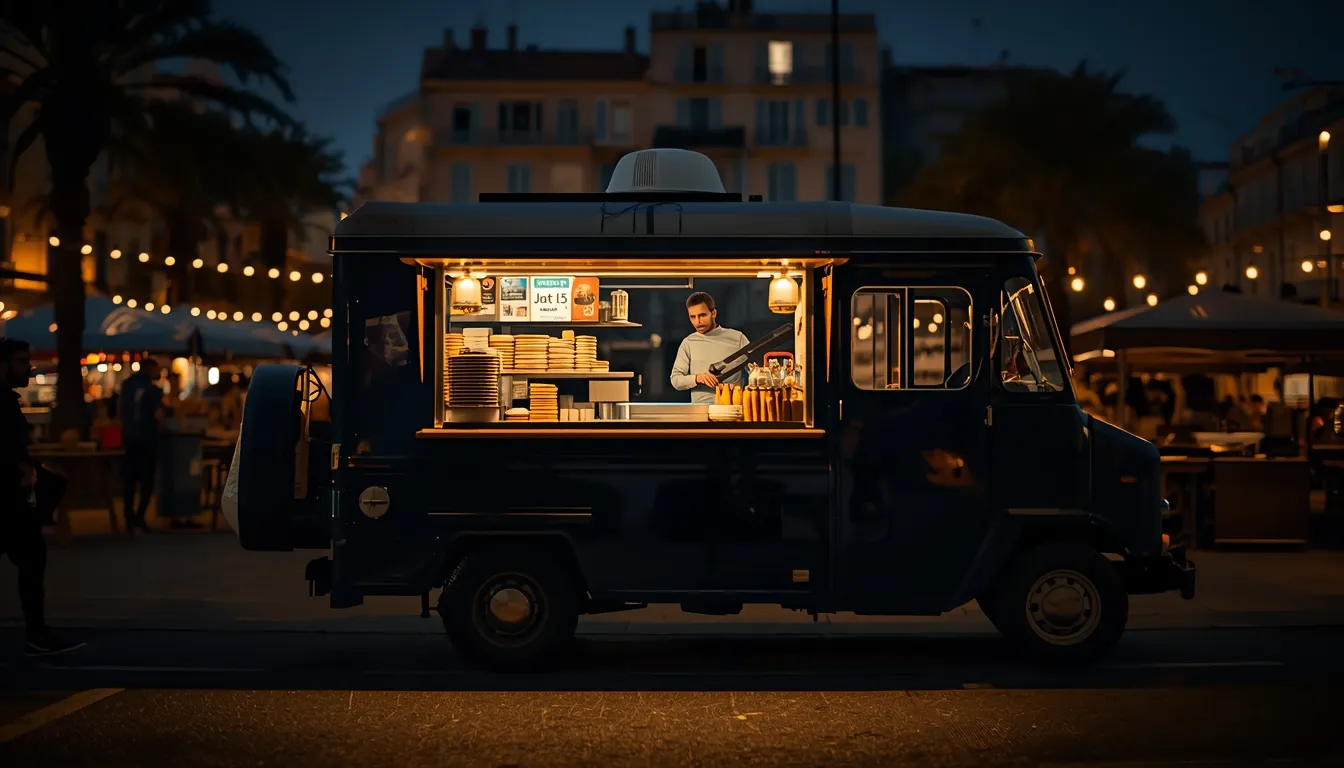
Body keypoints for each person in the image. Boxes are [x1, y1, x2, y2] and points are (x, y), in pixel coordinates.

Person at [0, 338, 83, 655]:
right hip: (7, 497)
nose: (30, 368)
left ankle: (37, 631)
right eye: (22, 362)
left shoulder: (8, 399)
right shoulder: (2, 401)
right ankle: (37, 633)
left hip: (13, 495)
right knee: (32, 562)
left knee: (33, 561)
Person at [669, 292, 749, 405]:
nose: (698, 321)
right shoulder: (688, 343)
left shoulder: (738, 338)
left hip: (733, 409)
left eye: (702, 315)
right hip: (699, 412)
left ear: (713, 313)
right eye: (693, 317)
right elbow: (676, 380)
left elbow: (756, 372)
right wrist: (697, 378)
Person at [119, 358, 170, 531]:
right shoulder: (153, 390)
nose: (159, 373)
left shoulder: (127, 386)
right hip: (148, 439)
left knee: (130, 480)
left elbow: (120, 411)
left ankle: (128, 515)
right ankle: (140, 516)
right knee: (147, 480)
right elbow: (158, 415)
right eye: (157, 370)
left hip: (129, 438)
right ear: (149, 370)